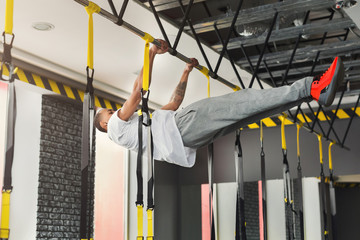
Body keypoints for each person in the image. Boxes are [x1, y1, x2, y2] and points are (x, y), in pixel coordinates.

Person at [94, 40, 345, 167]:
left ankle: (311, 93)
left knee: (247, 113)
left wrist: (186, 71)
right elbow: (138, 91)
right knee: (242, 102)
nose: (113, 110)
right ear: (104, 124)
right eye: (107, 112)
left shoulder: (141, 129)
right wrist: (150, 53)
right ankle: (310, 87)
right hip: (183, 127)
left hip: (188, 139)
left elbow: (173, 102)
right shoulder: (116, 127)